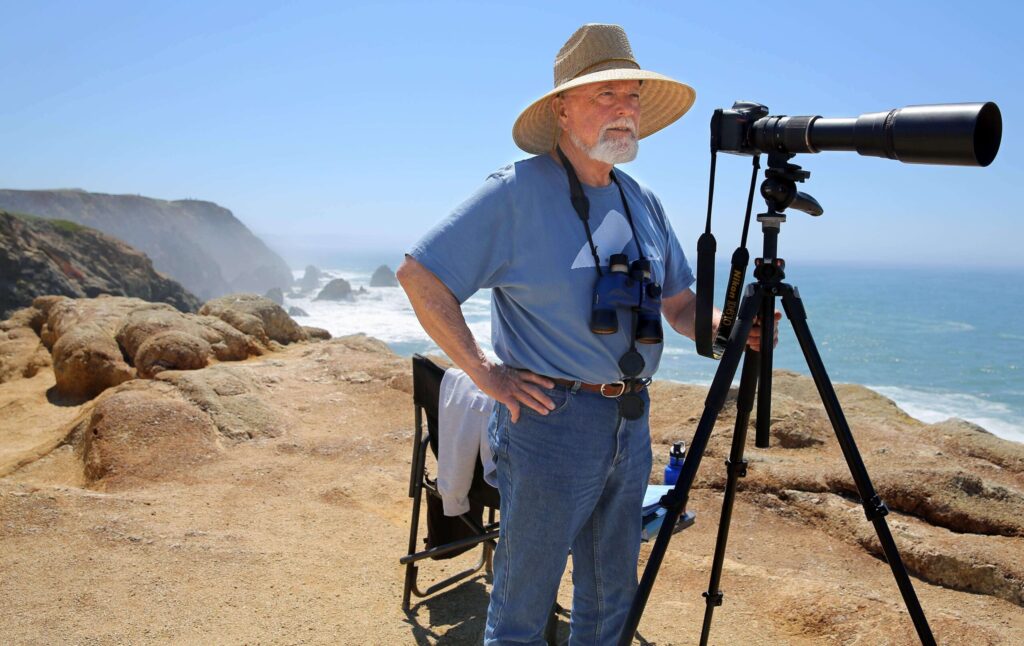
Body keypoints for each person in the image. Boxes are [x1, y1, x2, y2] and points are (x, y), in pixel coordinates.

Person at [398, 23, 777, 646]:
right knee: (523, 606)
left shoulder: (642, 201)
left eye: (630, 96)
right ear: (561, 108)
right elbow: (420, 275)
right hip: (551, 423)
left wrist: (731, 328)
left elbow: (679, 305)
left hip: (630, 421)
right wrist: (483, 371)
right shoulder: (515, 192)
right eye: (605, 94)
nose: (624, 109)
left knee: (609, 604)